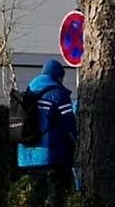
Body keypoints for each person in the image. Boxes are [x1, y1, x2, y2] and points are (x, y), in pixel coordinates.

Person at [17, 58, 77, 207]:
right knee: (56, 196)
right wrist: (75, 144)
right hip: (52, 155)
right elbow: (69, 124)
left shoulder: (29, 92)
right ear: (58, 76)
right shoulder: (58, 94)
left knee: (36, 195)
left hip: (28, 155)